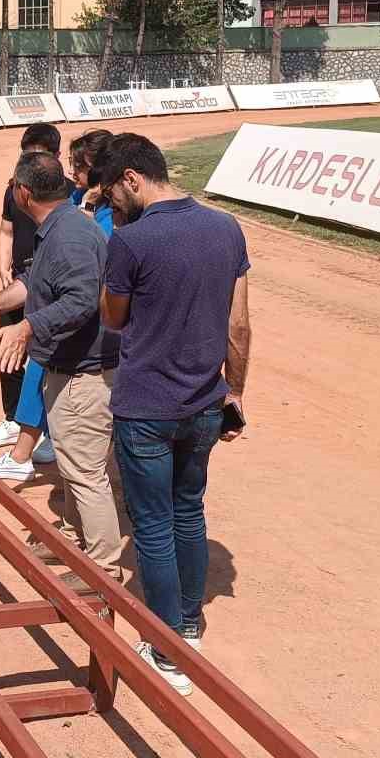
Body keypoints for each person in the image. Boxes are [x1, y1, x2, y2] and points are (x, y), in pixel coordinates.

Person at [97, 133, 252, 697]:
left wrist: (114, 258)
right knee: (190, 513)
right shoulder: (226, 228)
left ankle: (166, 645)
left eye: (115, 191)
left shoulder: (131, 241)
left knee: (154, 526)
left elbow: (112, 318)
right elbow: (238, 324)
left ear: (133, 178)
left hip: (145, 406)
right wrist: (235, 390)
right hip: (205, 401)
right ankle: (188, 621)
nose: (114, 203)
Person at [0, 151, 123, 589]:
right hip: (66, 368)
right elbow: (35, 283)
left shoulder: (69, 236)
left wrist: (28, 326)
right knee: (69, 462)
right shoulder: (61, 227)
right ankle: (71, 538)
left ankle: (103, 570)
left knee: (86, 472)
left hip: (85, 374)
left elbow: (82, 300)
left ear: (22, 192)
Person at [0, 122, 62, 465]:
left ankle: (52, 430)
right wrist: (3, 269)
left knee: (50, 357)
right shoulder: (13, 191)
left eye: (39, 156)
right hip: (18, 284)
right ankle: (13, 419)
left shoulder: (67, 193)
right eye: (26, 156)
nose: (30, 163)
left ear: (56, 157)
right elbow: (5, 231)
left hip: (51, 286)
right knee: (9, 352)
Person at [68, 129, 115, 237]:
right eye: (71, 163)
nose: (71, 171)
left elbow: (84, 243)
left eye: (78, 166)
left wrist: (88, 205)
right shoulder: (78, 194)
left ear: (99, 169)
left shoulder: (115, 213)